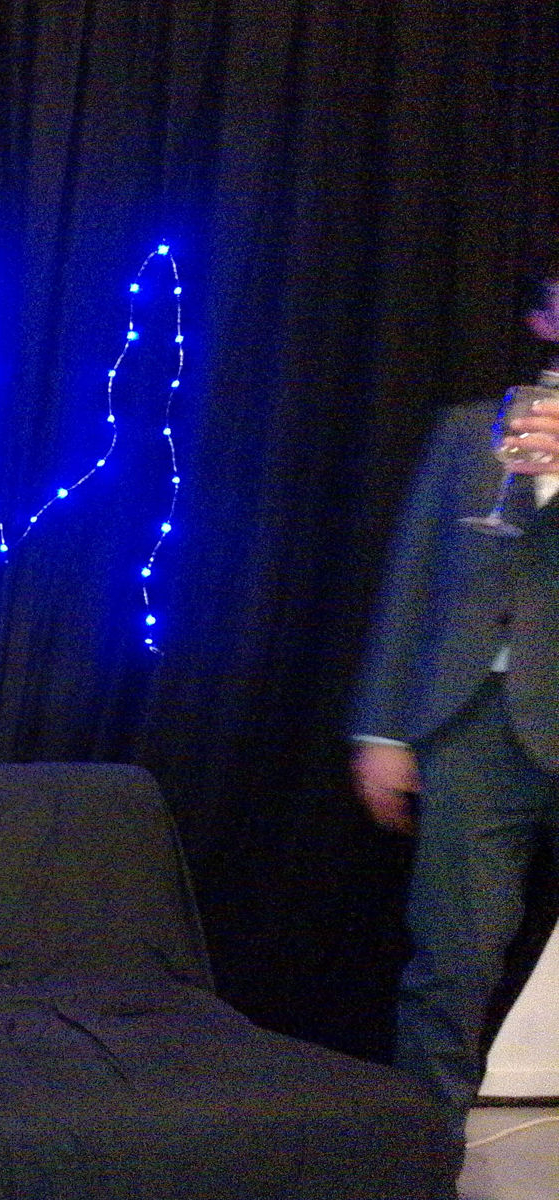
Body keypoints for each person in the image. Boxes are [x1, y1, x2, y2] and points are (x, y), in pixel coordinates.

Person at [350, 256, 559, 1164]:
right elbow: (412, 582)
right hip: (474, 726)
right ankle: (426, 1156)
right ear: (544, 319)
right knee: (454, 958)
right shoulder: (471, 431)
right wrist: (383, 728)